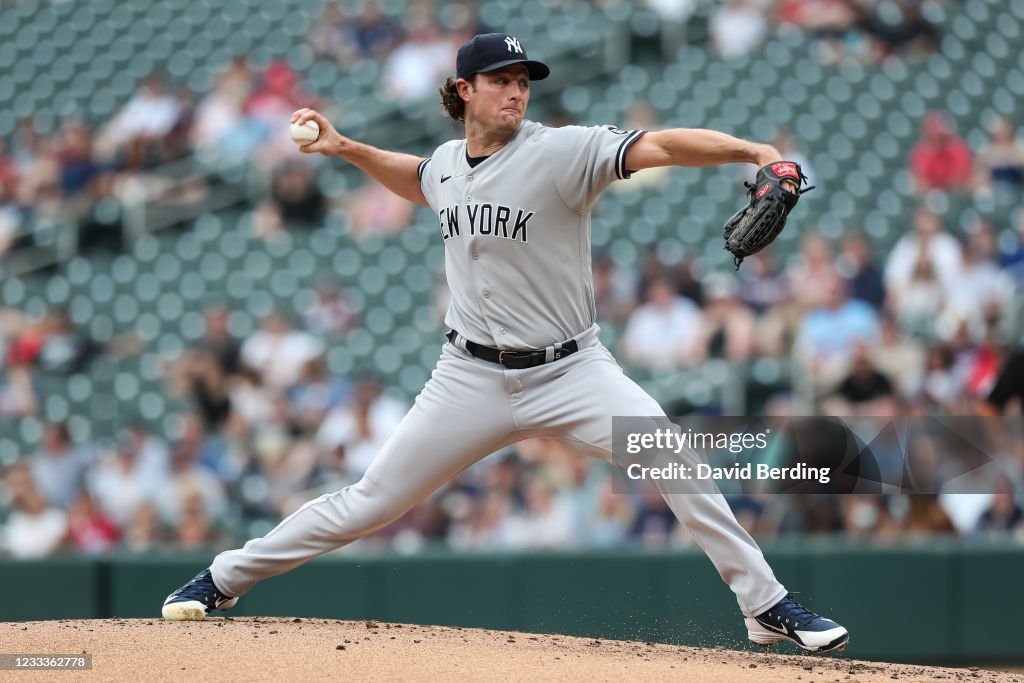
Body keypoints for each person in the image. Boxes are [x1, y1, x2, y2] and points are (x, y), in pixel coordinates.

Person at [161, 32, 849, 653]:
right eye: (501, 79)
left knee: (671, 455)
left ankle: (766, 606)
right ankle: (219, 579)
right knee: (370, 500)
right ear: (464, 90)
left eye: (523, 80)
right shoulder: (446, 163)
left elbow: (661, 144)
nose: (517, 90)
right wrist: (345, 148)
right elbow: (421, 181)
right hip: (469, 378)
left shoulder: (561, 151)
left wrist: (754, 151)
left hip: (573, 370)